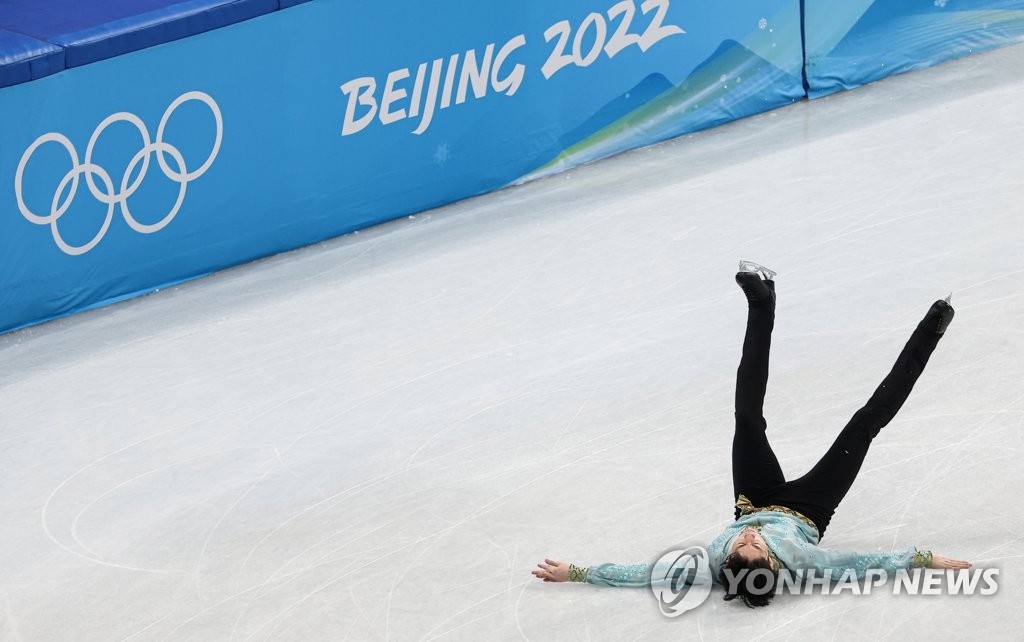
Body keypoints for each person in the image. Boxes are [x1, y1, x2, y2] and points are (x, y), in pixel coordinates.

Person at [532, 261, 970, 607]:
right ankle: (931, 330)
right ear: (773, 564)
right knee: (864, 422)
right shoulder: (803, 561)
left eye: (737, 547)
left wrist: (577, 572)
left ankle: (762, 303)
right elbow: (861, 563)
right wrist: (921, 559)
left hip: (753, 498)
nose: (746, 539)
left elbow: (645, 573)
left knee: (746, 416)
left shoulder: (713, 566)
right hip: (807, 509)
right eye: (755, 547)